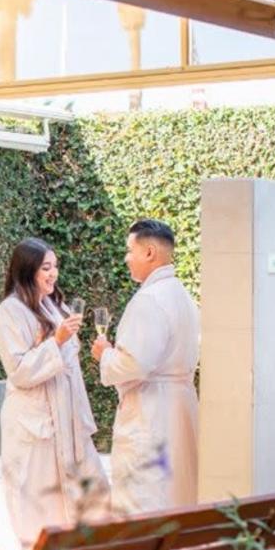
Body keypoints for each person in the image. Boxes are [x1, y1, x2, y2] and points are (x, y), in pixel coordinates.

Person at [0, 237, 109, 550]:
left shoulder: (55, 307)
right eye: (46, 267)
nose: (54, 273)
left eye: (56, 266)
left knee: (92, 497)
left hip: (66, 419)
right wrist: (56, 342)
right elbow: (18, 371)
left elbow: (69, 367)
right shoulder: (9, 312)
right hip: (35, 424)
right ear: (28, 270)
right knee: (38, 505)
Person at [92, 219, 200, 513]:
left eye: (130, 250)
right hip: (182, 407)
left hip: (151, 412)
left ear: (149, 252)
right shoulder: (184, 297)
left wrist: (105, 353)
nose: (126, 258)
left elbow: (134, 364)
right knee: (180, 496)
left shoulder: (149, 300)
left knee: (143, 500)